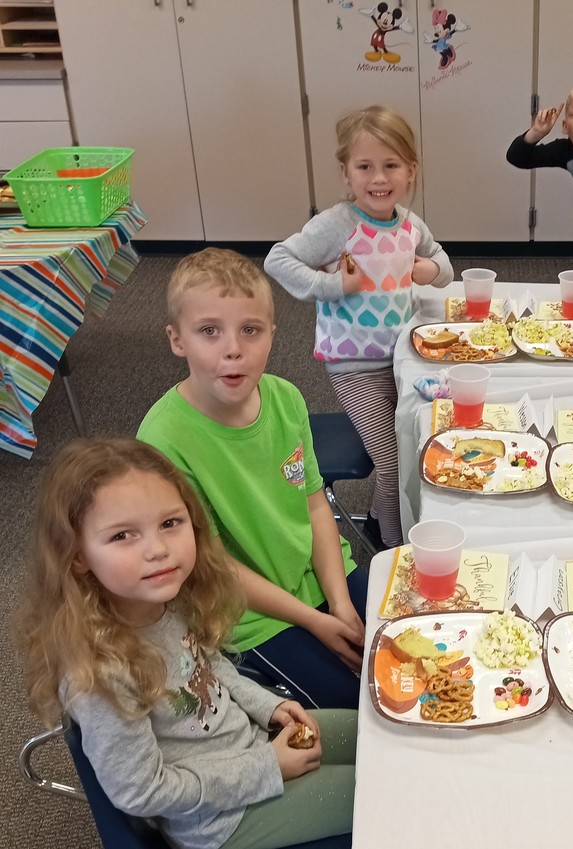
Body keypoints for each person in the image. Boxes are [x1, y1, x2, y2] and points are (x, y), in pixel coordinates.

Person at [18, 438, 357, 849]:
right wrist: (268, 767)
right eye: (123, 535)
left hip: (252, 746)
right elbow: (143, 792)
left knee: (378, 736)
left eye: (170, 523)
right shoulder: (98, 672)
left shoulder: (164, 601)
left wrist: (267, 707)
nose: (158, 550)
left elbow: (212, 667)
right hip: (224, 819)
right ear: (76, 555)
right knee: (386, 792)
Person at [138, 248, 368, 710]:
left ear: (271, 334)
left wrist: (339, 603)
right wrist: (314, 620)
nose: (233, 349)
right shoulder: (163, 439)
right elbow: (211, 561)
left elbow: (315, 504)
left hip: (321, 576)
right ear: (176, 339)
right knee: (356, 705)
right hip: (248, 616)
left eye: (251, 330)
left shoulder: (286, 398)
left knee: (409, 651)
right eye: (209, 331)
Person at [265, 105, 453, 550]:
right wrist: (334, 284)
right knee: (393, 465)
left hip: (403, 361)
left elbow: (444, 266)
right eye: (365, 167)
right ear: (346, 173)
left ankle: (375, 522)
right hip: (354, 368)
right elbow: (279, 259)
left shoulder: (409, 223)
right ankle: (395, 552)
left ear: (410, 171)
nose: (378, 178)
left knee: (412, 446)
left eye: (390, 166)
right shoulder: (337, 225)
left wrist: (427, 269)